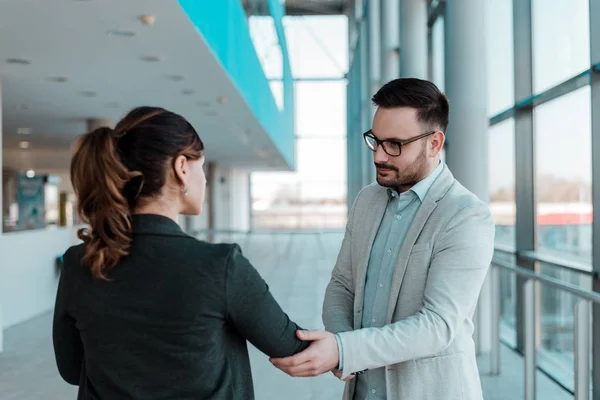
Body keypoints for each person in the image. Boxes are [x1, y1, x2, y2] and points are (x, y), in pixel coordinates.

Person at [53, 106, 308, 400]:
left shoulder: (79, 262)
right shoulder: (220, 266)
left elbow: (72, 369)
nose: (205, 179)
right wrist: (346, 349)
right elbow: (291, 347)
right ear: (182, 167)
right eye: (202, 167)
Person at [270, 78, 495, 400]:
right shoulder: (367, 200)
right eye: (375, 141)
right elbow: (342, 284)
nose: (378, 156)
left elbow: (438, 325)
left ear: (434, 143)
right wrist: (345, 349)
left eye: (394, 145)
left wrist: (343, 349)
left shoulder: (465, 215)